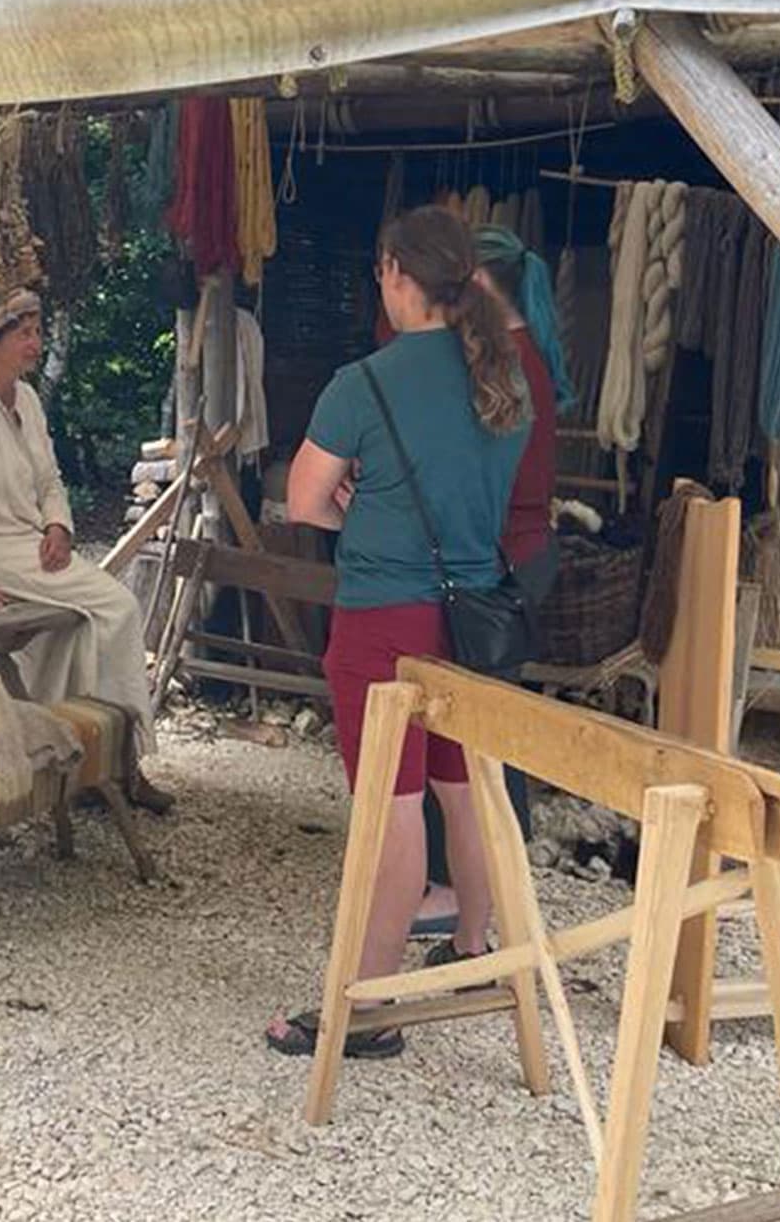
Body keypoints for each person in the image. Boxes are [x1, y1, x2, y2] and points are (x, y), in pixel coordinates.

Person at [266, 206, 528, 1059]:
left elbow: (304, 501)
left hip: (384, 617)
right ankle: (473, 949)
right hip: (472, 617)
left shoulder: (364, 383)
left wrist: (364, 512)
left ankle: (369, 1005)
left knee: (392, 807)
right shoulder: (504, 377)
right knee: (464, 789)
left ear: (395, 275)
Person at [0, 290, 172, 813]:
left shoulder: (28, 399)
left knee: (76, 631)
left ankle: (89, 759)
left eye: (37, 332)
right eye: (24, 333)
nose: (35, 343)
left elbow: (50, 479)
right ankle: (123, 762)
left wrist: (59, 525)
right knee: (120, 607)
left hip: (27, 545)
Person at [413, 224, 569, 936]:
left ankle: (457, 888)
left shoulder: (505, 361)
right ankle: (491, 876)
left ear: (475, 283)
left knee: (468, 725)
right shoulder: (523, 353)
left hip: (500, 558)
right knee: (485, 721)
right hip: (520, 552)